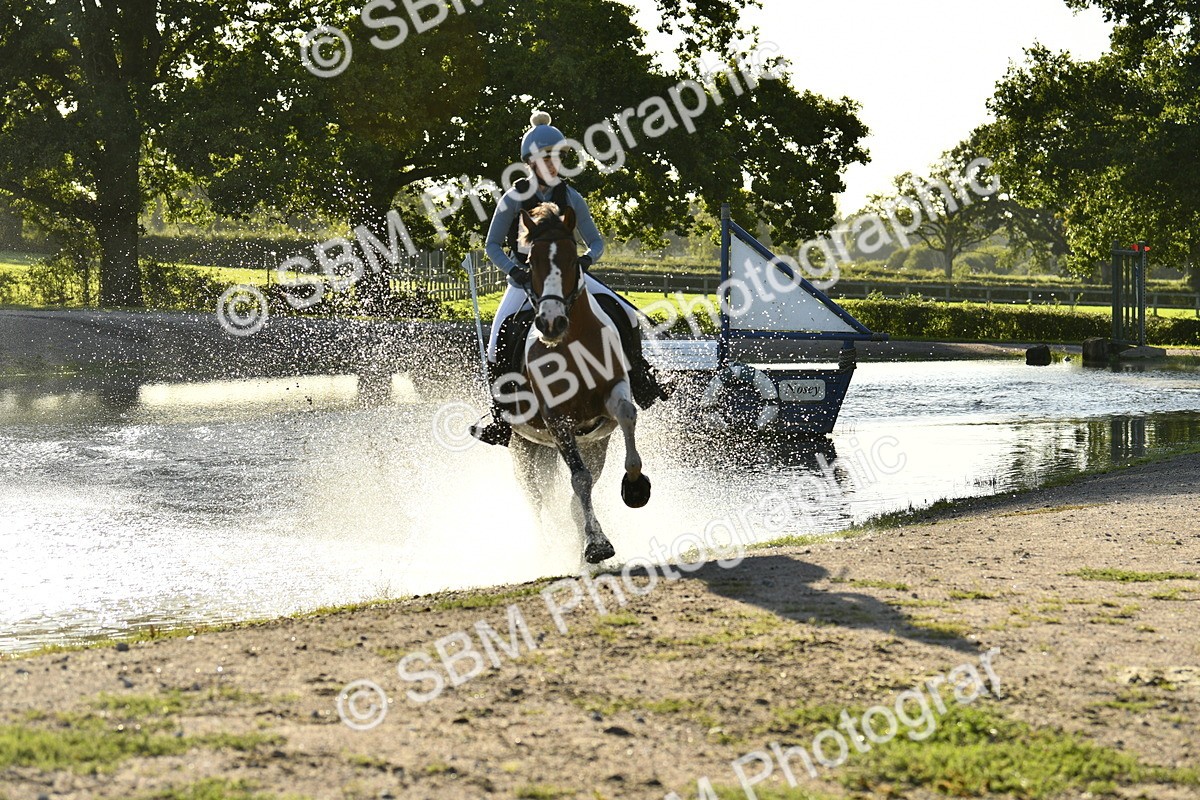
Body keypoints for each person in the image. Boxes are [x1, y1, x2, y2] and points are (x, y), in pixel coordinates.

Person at [470, 111, 670, 447]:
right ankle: (499, 414)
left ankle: (641, 379)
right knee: (498, 338)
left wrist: (587, 260)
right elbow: (491, 245)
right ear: (531, 161)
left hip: (570, 277)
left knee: (627, 314)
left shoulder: (570, 197)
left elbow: (596, 242)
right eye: (547, 157)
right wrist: (515, 271)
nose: (554, 163)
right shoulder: (514, 197)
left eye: (558, 157)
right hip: (527, 282)